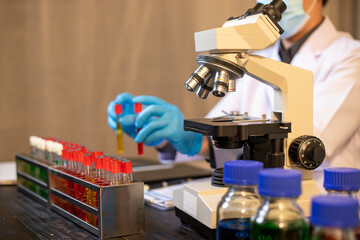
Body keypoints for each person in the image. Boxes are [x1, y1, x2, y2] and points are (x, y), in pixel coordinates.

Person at [108, 0, 360, 189]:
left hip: (323, 203)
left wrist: (194, 140)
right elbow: (218, 127)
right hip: (256, 195)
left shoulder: (351, 57)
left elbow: (309, 138)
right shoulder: (261, 60)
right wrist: (168, 136)